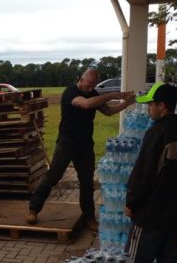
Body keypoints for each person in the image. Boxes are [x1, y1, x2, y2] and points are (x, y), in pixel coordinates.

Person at [27, 69, 135, 228]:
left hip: (85, 144)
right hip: (67, 143)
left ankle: (89, 217)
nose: (90, 89)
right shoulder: (70, 92)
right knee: (53, 177)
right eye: (88, 85)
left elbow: (108, 111)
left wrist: (126, 103)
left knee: (86, 183)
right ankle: (33, 210)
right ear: (81, 79)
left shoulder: (93, 92)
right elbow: (86, 104)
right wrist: (113, 95)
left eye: (93, 86)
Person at [125, 83, 177, 263]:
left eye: (151, 104)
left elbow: (143, 174)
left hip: (150, 216)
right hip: (176, 215)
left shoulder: (157, 133)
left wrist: (131, 202)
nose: (148, 108)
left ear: (162, 106)